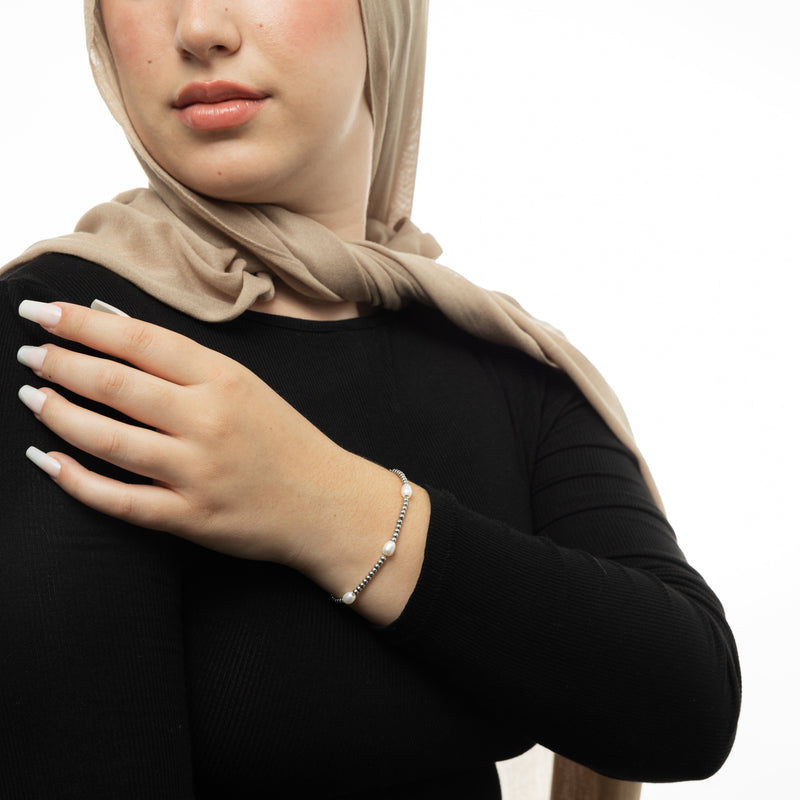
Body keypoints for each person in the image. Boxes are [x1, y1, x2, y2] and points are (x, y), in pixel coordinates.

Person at [0, 1, 740, 798]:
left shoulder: (502, 354)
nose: (200, 28)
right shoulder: (68, 340)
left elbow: (686, 711)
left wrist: (323, 503)